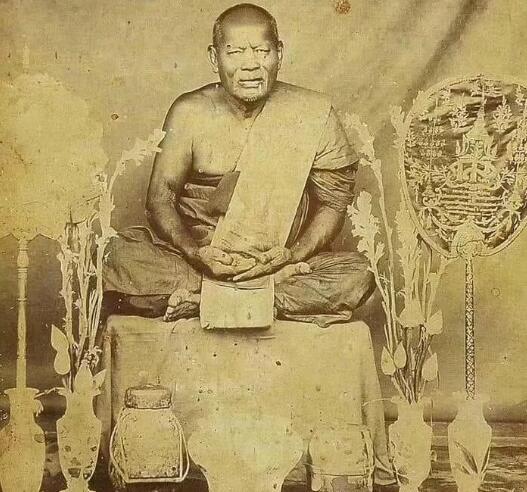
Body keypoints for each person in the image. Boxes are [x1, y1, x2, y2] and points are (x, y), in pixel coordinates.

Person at [103, 3, 375, 327]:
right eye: (234, 53)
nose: (250, 66)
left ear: (279, 54)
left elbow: (333, 204)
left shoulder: (314, 113)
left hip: (278, 266)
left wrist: (291, 256)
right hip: (201, 264)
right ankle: (251, 299)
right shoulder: (189, 112)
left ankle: (204, 302)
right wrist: (195, 253)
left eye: (262, 51)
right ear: (214, 58)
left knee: (359, 272)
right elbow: (160, 199)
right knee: (114, 256)